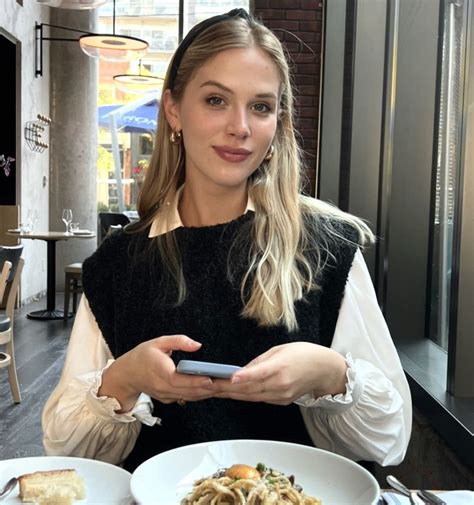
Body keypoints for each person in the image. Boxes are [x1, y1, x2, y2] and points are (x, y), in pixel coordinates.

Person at [42, 8, 411, 472]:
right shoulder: (118, 264)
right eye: (216, 100)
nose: (240, 126)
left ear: (278, 121)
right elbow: (68, 452)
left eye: (260, 106)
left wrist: (328, 373)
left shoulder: (326, 247)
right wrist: (126, 377)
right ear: (174, 110)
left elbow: (389, 440)